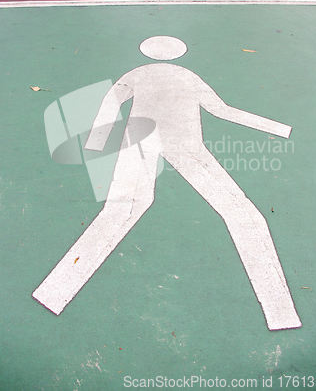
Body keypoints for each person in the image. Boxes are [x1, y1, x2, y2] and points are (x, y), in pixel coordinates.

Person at [33, 36, 301, 330]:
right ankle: (280, 312)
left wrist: (98, 141)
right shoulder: (188, 76)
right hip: (186, 146)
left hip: (139, 143)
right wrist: (276, 127)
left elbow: (111, 100)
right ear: (178, 53)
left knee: (118, 211)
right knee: (241, 212)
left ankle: (53, 292)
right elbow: (222, 110)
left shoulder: (136, 74)